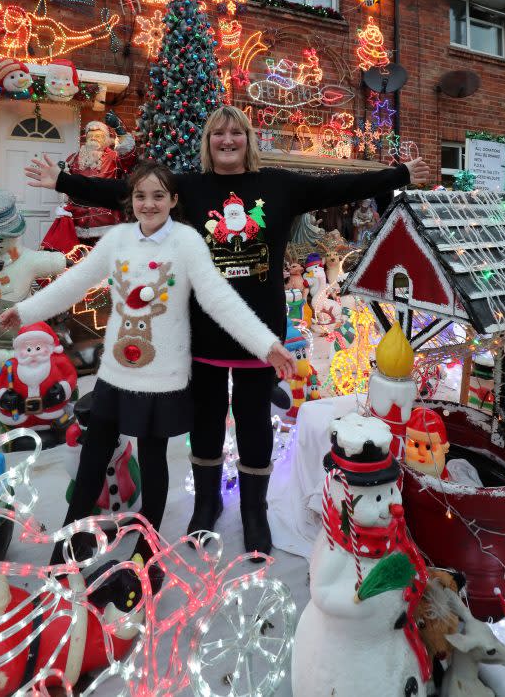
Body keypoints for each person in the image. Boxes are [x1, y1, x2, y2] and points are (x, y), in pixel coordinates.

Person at [25, 105, 430, 554]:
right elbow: (131, 192)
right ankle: (207, 503)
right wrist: (64, 181)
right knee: (207, 420)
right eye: (218, 134)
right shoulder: (190, 188)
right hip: (206, 331)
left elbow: (336, 185)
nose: (227, 140)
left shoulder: (278, 184)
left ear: (248, 139)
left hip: (258, 329)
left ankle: (253, 511)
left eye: (236, 133)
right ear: (208, 142)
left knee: (256, 421)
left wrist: (397, 174)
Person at [0, 161, 293, 571]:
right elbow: (75, 281)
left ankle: (147, 540)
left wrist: (267, 345)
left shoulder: (188, 243)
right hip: (117, 374)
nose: (149, 203)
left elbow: (218, 299)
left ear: (174, 200)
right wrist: (27, 311)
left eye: (159, 195)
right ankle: (73, 538)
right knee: (92, 457)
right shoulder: (118, 239)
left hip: (163, 376)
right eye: (140, 196)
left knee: (153, 461)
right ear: (130, 201)